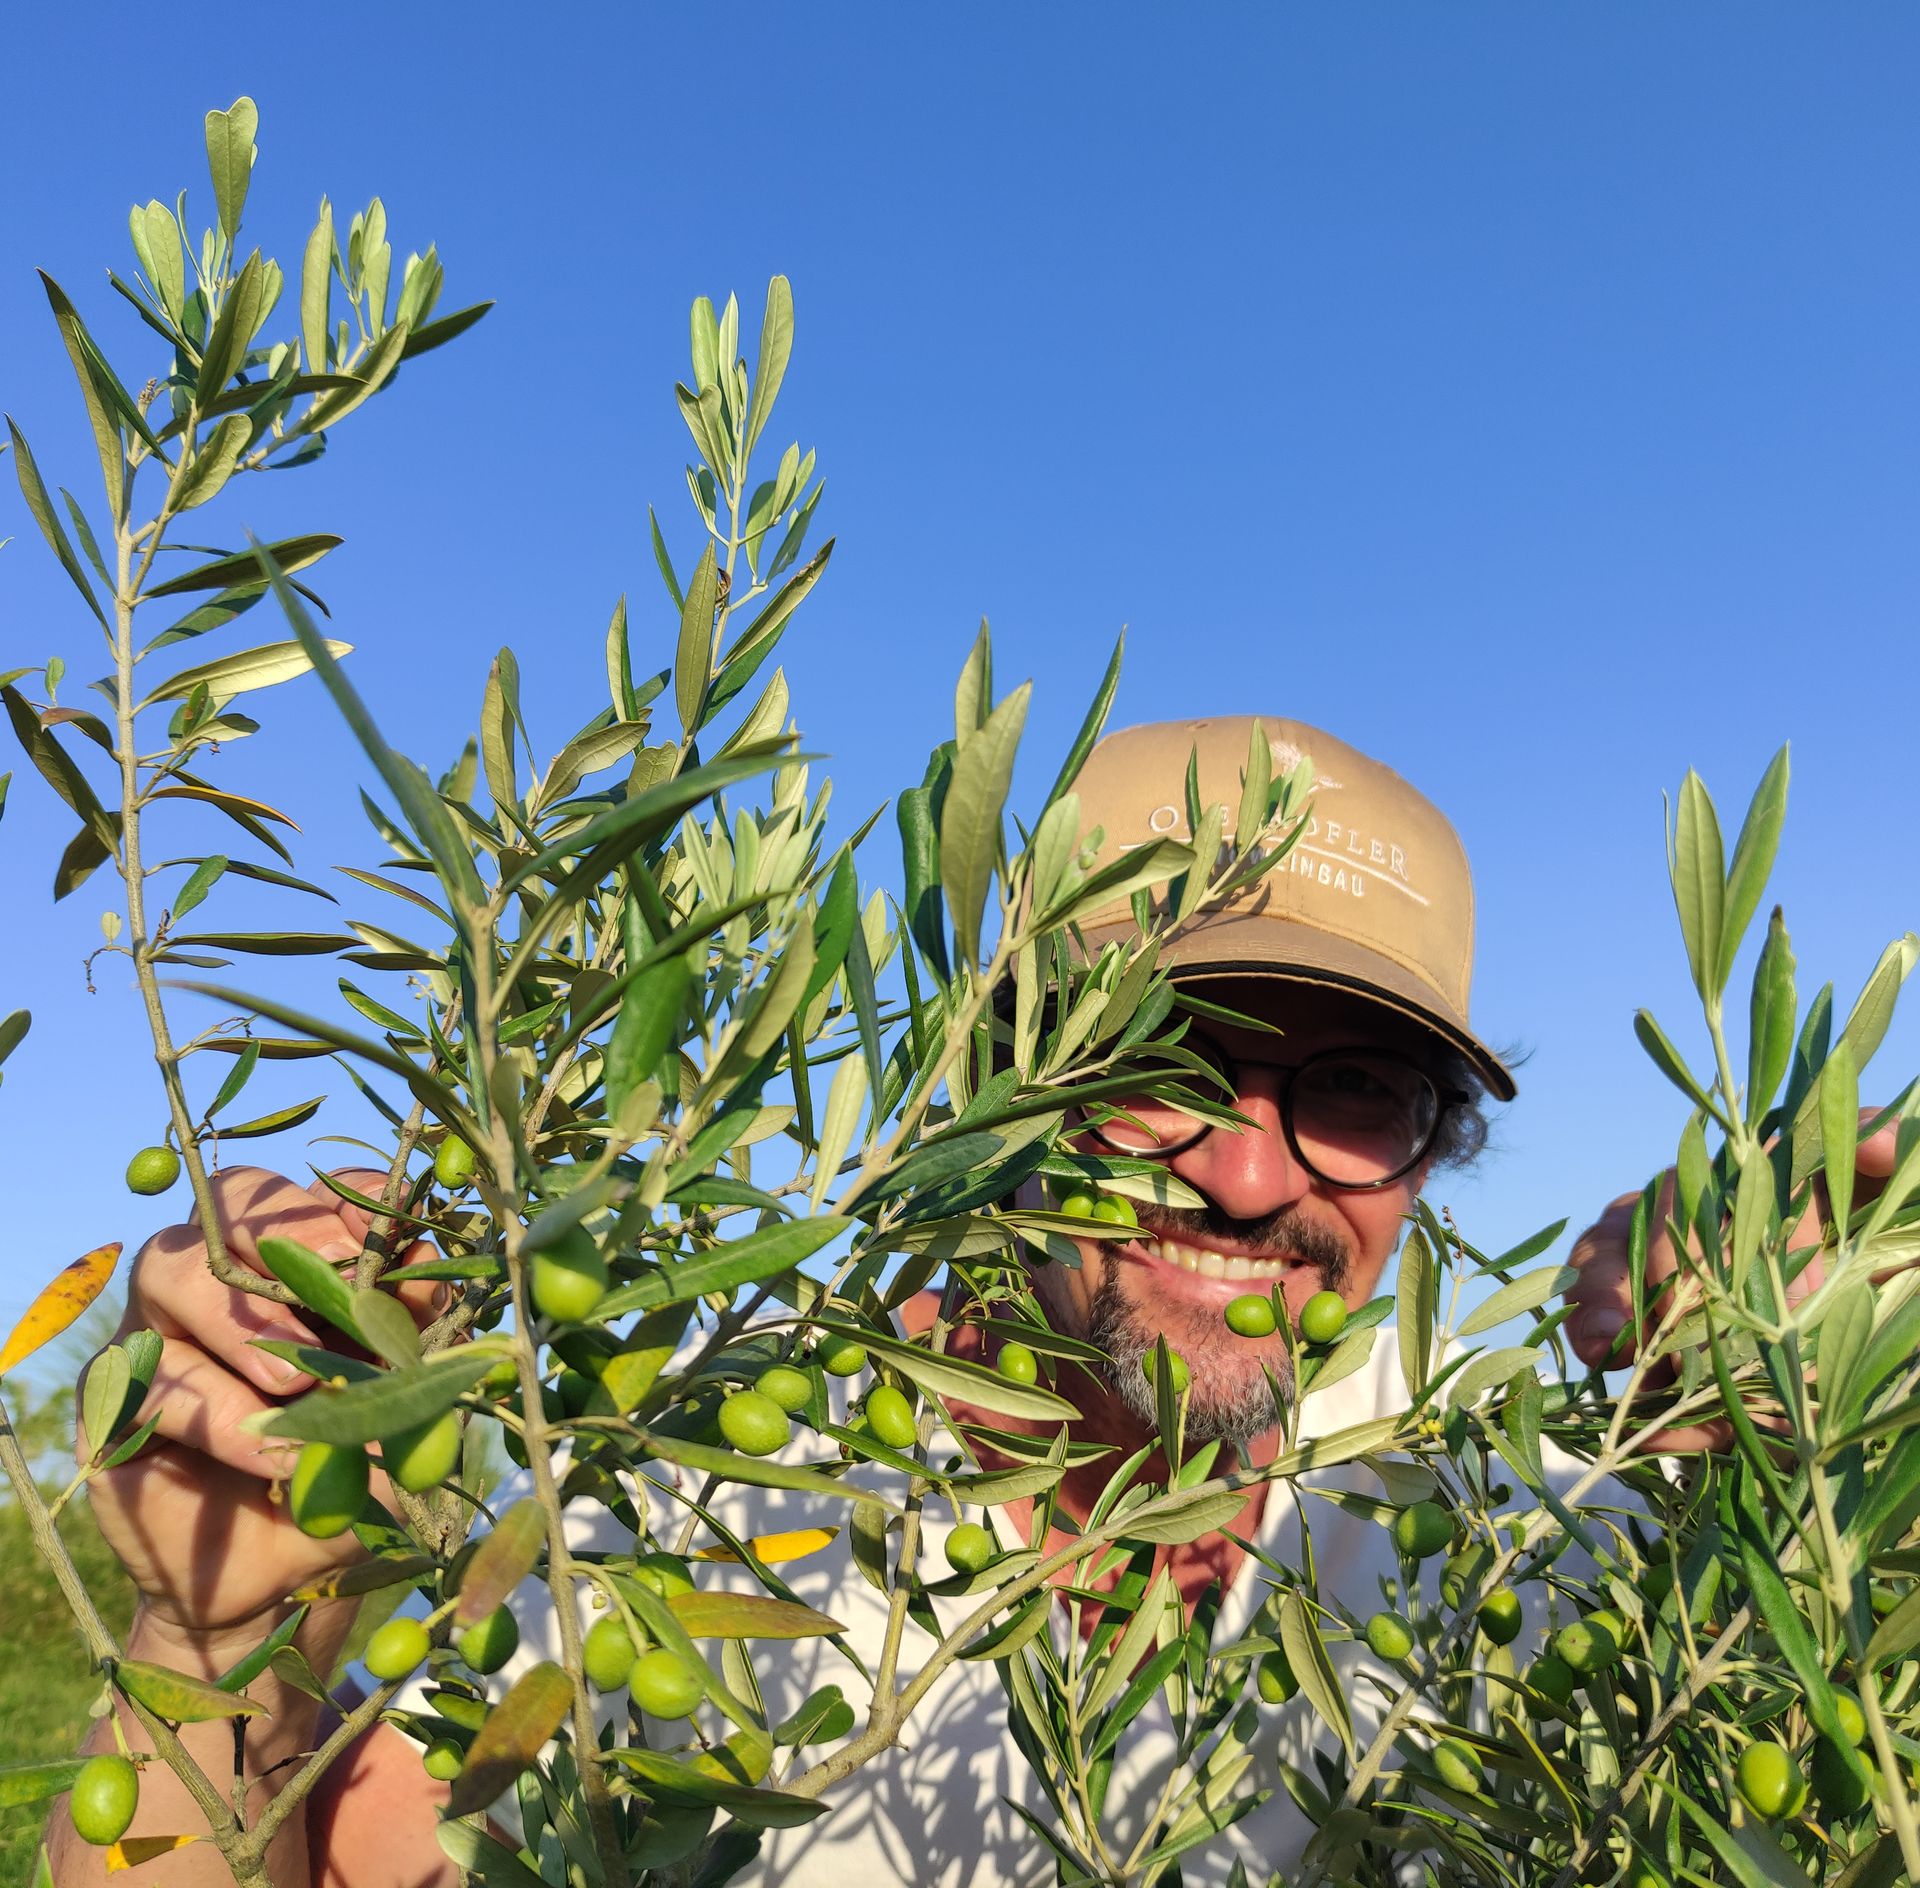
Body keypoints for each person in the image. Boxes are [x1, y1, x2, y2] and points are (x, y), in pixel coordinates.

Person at [46, 716, 1888, 1886]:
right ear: (989, 1083)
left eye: (1354, 1090)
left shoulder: (1497, 1544)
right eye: (1156, 1056)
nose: (1250, 1178)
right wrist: (211, 1644)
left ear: (1429, 1160)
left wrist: (1826, 1409)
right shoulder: (666, 1517)